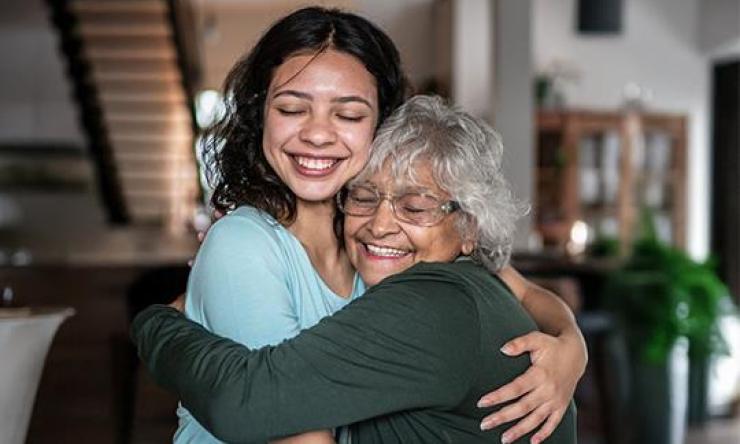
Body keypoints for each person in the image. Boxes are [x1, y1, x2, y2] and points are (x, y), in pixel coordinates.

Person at [181, 6, 585, 444]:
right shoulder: (247, 244)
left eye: (349, 115)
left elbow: (522, 290)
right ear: (261, 115)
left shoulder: (373, 237)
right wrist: (159, 326)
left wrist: (571, 346)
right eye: (292, 109)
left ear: (382, 126)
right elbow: (280, 422)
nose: (317, 134)